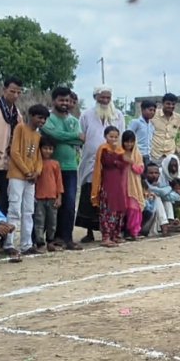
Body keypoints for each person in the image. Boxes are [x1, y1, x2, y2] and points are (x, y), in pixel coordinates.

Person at [76, 85, 126, 244]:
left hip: (112, 165)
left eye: (107, 97)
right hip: (90, 163)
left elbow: (122, 138)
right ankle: (89, 232)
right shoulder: (86, 115)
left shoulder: (118, 115)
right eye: (102, 97)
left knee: (111, 199)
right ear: (95, 97)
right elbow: (81, 136)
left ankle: (111, 232)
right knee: (90, 194)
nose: (105, 100)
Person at [3, 105, 48, 261]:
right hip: (17, 175)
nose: (41, 121)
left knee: (28, 210)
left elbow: (38, 157)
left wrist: (36, 172)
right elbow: (14, 152)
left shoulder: (37, 135)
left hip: (30, 178)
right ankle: (10, 244)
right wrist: (26, 171)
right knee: (15, 209)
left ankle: (26, 244)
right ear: (31, 115)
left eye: (44, 119)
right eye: (39, 117)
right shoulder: (20, 128)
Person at [41, 86, 83, 251]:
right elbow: (53, 135)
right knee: (52, 203)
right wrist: (73, 136)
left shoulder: (74, 120)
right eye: (61, 100)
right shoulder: (48, 119)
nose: (65, 103)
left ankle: (66, 237)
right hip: (51, 168)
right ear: (54, 101)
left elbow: (81, 141)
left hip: (71, 167)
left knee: (70, 202)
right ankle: (50, 238)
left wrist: (66, 137)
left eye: (67, 100)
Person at [0, 77, 23, 221]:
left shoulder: (17, 114)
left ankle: (4, 238)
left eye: (18, 93)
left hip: (7, 164)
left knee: (6, 200)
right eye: (12, 91)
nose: (15, 95)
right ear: (4, 90)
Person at [90, 126, 129, 248]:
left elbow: (125, 164)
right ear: (105, 136)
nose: (113, 139)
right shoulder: (103, 149)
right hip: (107, 181)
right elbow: (107, 162)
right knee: (108, 209)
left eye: (116, 137)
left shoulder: (120, 150)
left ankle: (116, 235)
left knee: (119, 208)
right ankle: (106, 236)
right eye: (111, 136)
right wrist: (117, 162)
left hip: (119, 182)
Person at [33, 136, 63, 253]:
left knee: (52, 222)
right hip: (39, 197)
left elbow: (59, 181)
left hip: (52, 197)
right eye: (45, 148)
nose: (48, 151)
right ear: (40, 149)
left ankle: (50, 241)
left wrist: (59, 196)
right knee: (39, 221)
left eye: (50, 149)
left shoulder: (55, 164)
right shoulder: (37, 163)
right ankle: (40, 243)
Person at [120, 131, 146, 240]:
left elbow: (140, 169)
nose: (129, 144)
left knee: (134, 208)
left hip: (133, 185)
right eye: (126, 142)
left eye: (131, 142)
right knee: (121, 209)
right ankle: (120, 232)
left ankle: (134, 231)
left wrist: (131, 162)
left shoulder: (137, 154)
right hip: (121, 184)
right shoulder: (119, 152)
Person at [150, 93, 180, 160]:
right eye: (168, 104)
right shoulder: (153, 115)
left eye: (173, 104)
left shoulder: (178, 118)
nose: (171, 106)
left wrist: (178, 147)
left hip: (170, 154)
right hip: (154, 154)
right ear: (163, 103)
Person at [145, 163, 180, 229]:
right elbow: (162, 192)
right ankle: (164, 224)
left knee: (166, 199)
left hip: (157, 211)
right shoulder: (145, 183)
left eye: (156, 173)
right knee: (156, 196)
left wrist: (164, 192)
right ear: (145, 174)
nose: (154, 175)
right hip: (147, 212)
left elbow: (177, 197)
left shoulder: (159, 183)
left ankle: (170, 221)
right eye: (151, 173)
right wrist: (169, 189)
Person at [129, 100, 156, 167]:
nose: (152, 112)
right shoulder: (136, 123)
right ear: (143, 109)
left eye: (154, 110)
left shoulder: (151, 125)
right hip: (137, 154)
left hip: (147, 155)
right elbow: (128, 137)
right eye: (150, 110)